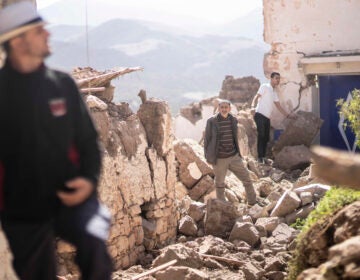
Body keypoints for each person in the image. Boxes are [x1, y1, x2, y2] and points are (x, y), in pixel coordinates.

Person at [0, 2, 112, 279]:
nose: (48, 34)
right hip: (20, 207)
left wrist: (89, 180)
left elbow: (88, 142)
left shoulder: (62, 85)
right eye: (39, 31)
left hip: (72, 197)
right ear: (18, 40)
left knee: (95, 246)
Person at [204, 99, 257, 205]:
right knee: (219, 184)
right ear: (218, 108)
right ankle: (222, 205)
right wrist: (208, 157)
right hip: (219, 158)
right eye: (222, 107)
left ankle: (252, 202)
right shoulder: (211, 121)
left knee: (247, 178)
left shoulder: (233, 119)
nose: (224, 109)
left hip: (234, 157)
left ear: (229, 108)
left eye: (226, 107)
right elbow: (207, 140)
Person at [251, 72, 293, 164]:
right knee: (261, 135)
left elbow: (278, 106)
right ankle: (260, 158)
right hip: (260, 114)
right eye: (276, 78)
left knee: (266, 137)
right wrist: (252, 106)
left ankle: (263, 157)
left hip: (267, 117)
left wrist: (288, 115)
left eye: (279, 78)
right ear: (271, 78)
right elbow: (257, 96)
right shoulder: (265, 86)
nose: (278, 80)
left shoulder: (274, 92)